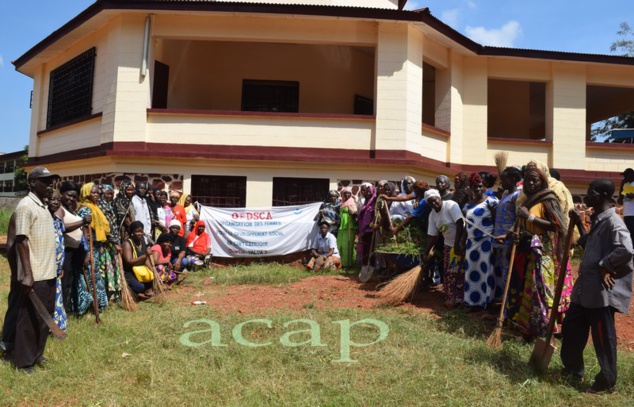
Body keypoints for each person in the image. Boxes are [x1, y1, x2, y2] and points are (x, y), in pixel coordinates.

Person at [561, 179, 633, 394]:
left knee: (603, 338)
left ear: (601, 195)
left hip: (600, 293)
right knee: (571, 329)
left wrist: (605, 265)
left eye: (591, 192)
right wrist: (578, 222)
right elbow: (589, 243)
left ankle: (606, 382)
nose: (587, 195)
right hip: (585, 290)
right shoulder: (600, 221)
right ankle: (572, 371)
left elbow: (627, 250)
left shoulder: (613, 222)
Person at [1, 167, 59, 373]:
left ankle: (37, 354)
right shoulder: (26, 205)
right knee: (29, 318)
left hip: (48, 271)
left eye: (51, 181)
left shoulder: (43, 206)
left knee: (44, 317)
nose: (50, 185)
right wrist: (26, 273)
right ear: (32, 183)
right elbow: (21, 240)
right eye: (45, 181)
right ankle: (23, 362)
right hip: (35, 273)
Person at [505, 166, 572, 339]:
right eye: (528, 180)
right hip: (527, 248)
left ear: (542, 182)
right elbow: (523, 224)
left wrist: (530, 217)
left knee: (541, 288)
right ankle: (527, 325)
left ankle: (545, 325)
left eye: (535, 180)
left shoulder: (549, 199)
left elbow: (557, 225)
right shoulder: (528, 201)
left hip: (545, 251)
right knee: (527, 288)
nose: (532, 183)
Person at [456, 172, 498, 311]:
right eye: (475, 187)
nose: (478, 189)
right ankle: (471, 302)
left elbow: (496, 222)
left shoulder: (491, 201)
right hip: (471, 242)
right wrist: (461, 243)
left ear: (484, 187)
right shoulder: (467, 206)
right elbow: (464, 226)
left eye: (480, 186)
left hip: (486, 241)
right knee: (471, 271)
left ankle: (486, 302)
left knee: (486, 272)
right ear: (471, 188)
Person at [72, 182, 109, 315]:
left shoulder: (95, 208)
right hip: (88, 249)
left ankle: (99, 305)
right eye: (93, 192)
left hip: (96, 248)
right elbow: (83, 233)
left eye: (98, 193)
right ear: (86, 193)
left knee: (95, 275)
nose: (96, 195)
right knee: (89, 275)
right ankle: (88, 306)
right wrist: (86, 252)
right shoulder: (85, 209)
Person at [423, 189, 465, 308]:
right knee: (450, 273)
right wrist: (425, 253)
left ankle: (459, 299)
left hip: (461, 243)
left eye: (435, 200)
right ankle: (451, 297)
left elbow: (460, 223)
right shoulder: (432, 215)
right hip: (448, 246)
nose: (433, 204)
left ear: (439, 198)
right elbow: (432, 235)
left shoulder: (451, 205)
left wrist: (457, 244)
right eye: (430, 203)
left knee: (460, 272)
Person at [57, 181, 90, 311]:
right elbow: (61, 227)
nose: (71, 199)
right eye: (68, 195)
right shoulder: (59, 209)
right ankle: (60, 312)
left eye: (74, 197)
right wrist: (82, 221)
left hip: (75, 251)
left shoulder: (72, 210)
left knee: (69, 282)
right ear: (62, 194)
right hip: (65, 251)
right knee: (63, 283)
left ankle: (66, 310)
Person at [491, 167, 522, 301]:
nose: (501, 182)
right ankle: (500, 302)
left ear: (514, 180)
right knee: (499, 274)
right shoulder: (505, 194)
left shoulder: (517, 196)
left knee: (507, 274)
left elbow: (518, 219)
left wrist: (508, 236)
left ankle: (507, 306)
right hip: (498, 240)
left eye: (504, 179)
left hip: (507, 241)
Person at [97, 184, 123, 300]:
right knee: (107, 267)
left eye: (112, 194)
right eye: (107, 193)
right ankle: (108, 294)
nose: (110, 196)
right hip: (106, 244)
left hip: (114, 242)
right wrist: (114, 242)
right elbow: (105, 229)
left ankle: (116, 293)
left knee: (114, 266)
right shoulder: (100, 208)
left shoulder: (110, 206)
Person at [48, 190, 68, 332]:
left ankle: (56, 325)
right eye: (52, 199)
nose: (55, 202)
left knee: (56, 296)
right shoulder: (44, 220)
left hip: (57, 267)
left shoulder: (57, 220)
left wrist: (60, 265)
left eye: (57, 200)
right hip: (46, 267)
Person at [122, 221, 155, 299]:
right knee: (139, 287)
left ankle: (145, 291)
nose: (140, 233)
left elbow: (146, 260)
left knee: (153, 279)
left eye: (141, 231)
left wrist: (153, 271)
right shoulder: (127, 244)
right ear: (132, 232)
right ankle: (131, 293)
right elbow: (129, 261)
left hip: (141, 271)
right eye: (137, 231)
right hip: (129, 272)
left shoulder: (142, 242)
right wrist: (145, 255)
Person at [356, 183, 377, 266]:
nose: (367, 193)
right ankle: (364, 265)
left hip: (370, 229)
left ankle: (371, 266)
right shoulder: (366, 202)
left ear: (372, 192)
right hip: (363, 229)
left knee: (369, 249)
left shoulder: (374, 203)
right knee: (365, 249)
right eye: (366, 191)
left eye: (369, 192)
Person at [337, 187, 357, 269]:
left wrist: (352, 212)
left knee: (347, 246)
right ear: (342, 194)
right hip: (342, 226)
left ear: (351, 194)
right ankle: (340, 262)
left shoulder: (352, 202)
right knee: (340, 244)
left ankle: (347, 264)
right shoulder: (342, 203)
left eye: (348, 193)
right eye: (345, 193)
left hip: (349, 226)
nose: (347, 194)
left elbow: (355, 212)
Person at [617, 167, 634, 239]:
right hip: (627, 213)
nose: (625, 177)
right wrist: (622, 187)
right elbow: (620, 201)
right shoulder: (625, 184)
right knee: (628, 234)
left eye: (626, 175)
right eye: (624, 175)